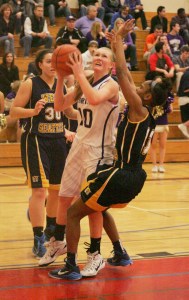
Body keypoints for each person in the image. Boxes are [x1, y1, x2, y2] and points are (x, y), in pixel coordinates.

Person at [48, 19, 171, 280]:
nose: (139, 86)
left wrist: (117, 41)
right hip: (128, 173)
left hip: (121, 171)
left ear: (147, 97)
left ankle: (74, 264)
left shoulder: (138, 108)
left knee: (76, 212)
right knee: (97, 207)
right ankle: (119, 251)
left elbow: (124, 75)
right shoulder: (143, 111)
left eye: (144, 87)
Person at [39, 46, 119, 278]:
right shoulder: (87, 80)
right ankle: (59, 242)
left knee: (92, 204)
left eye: (104, 56)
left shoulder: (110, 85)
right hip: (79, 146)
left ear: (111, 65)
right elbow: (59, 106)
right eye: (96, 55)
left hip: (100, 150)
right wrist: (62, 78)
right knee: (64, 196)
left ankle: (95, 254)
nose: (98, 57)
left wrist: (79, 74)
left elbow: (94, 99)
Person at [10, 49, 77, 258]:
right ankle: (38, 238)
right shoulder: (30, 83)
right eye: (48, 61)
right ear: (40, 64)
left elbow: (67, 112)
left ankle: (50, 231)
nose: (52, 65)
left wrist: (86, 115)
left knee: (57, 191)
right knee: (40, 191)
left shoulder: (62, 85)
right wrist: (33, 112)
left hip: (58, 141)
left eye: (55, 62)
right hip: (36, 140)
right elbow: (13, 111)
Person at [150, 95, 174, 173]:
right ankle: (154, 165)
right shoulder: (153, 97)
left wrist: (167, 107)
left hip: (164, 123)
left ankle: (161, 165)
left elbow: (171, 110)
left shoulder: (168, 97)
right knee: (153, 144)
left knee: (163, 144)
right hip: (154, 123)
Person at [177, 69, 189, 138]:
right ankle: (184, 125)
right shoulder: (187, 75)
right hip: (186, 99)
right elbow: (186, 89)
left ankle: (185, 124)